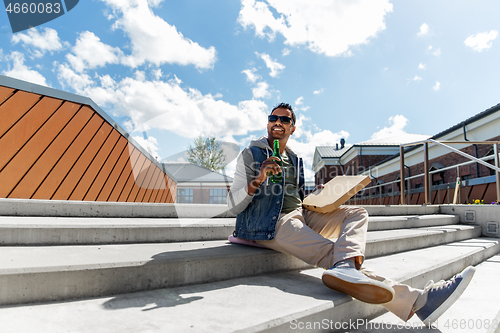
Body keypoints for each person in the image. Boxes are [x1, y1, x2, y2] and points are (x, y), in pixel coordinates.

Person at [227, 102, 476, 326]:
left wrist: (316, 196)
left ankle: (347, 267)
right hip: (270, 224)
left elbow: (296, 198)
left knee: (356, 212)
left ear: (293, 128)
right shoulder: (252, 154)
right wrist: (258, 179)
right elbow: (233, 203)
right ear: (268, 123)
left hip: (301, 214)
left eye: (285, 120)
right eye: (273, 118)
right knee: (332, 254)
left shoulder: (295, 159)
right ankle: (419, 301)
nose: (278, 123)